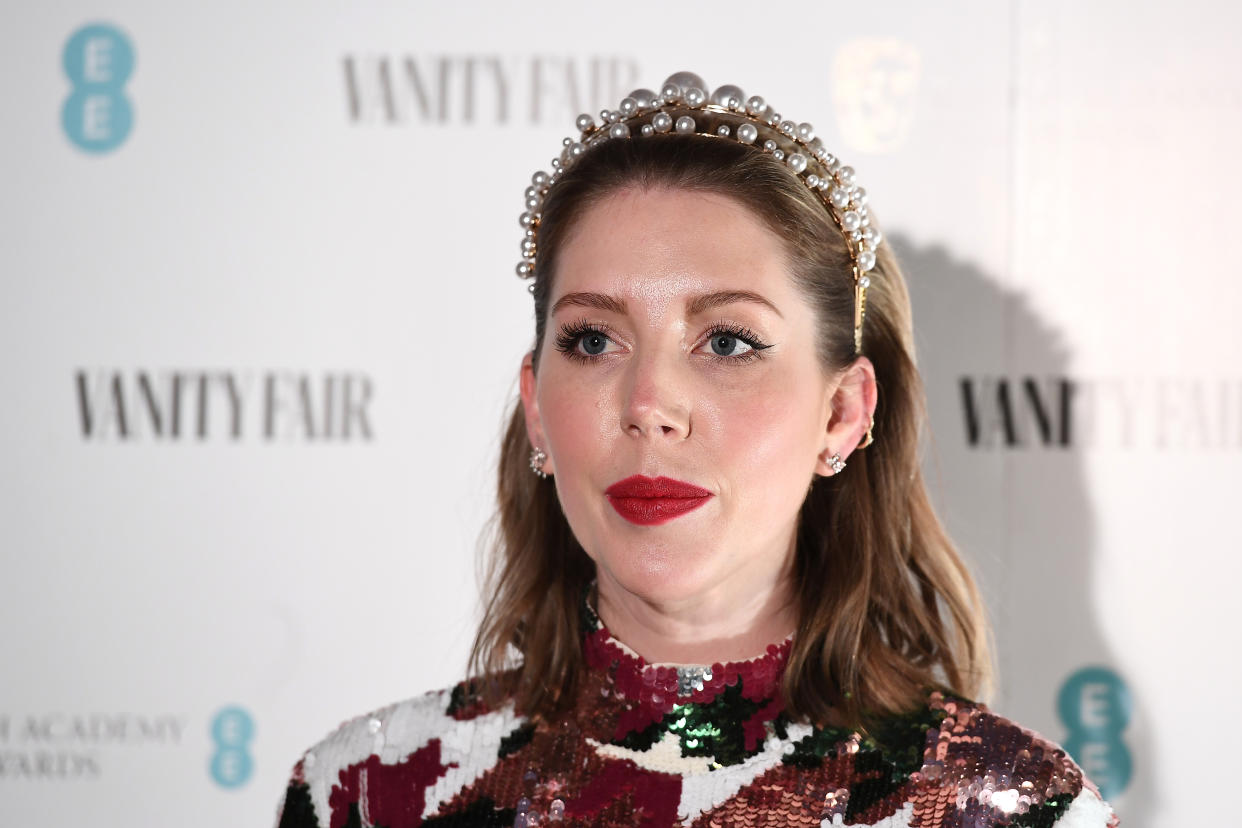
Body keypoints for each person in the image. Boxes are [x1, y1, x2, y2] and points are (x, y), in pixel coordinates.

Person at [274, 71, 1118, 828]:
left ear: (843, 412)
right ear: (536, 408)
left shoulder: (1007, 811)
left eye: (727, 343)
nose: (648, 408)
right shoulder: (367, 795)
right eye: (594, 340)